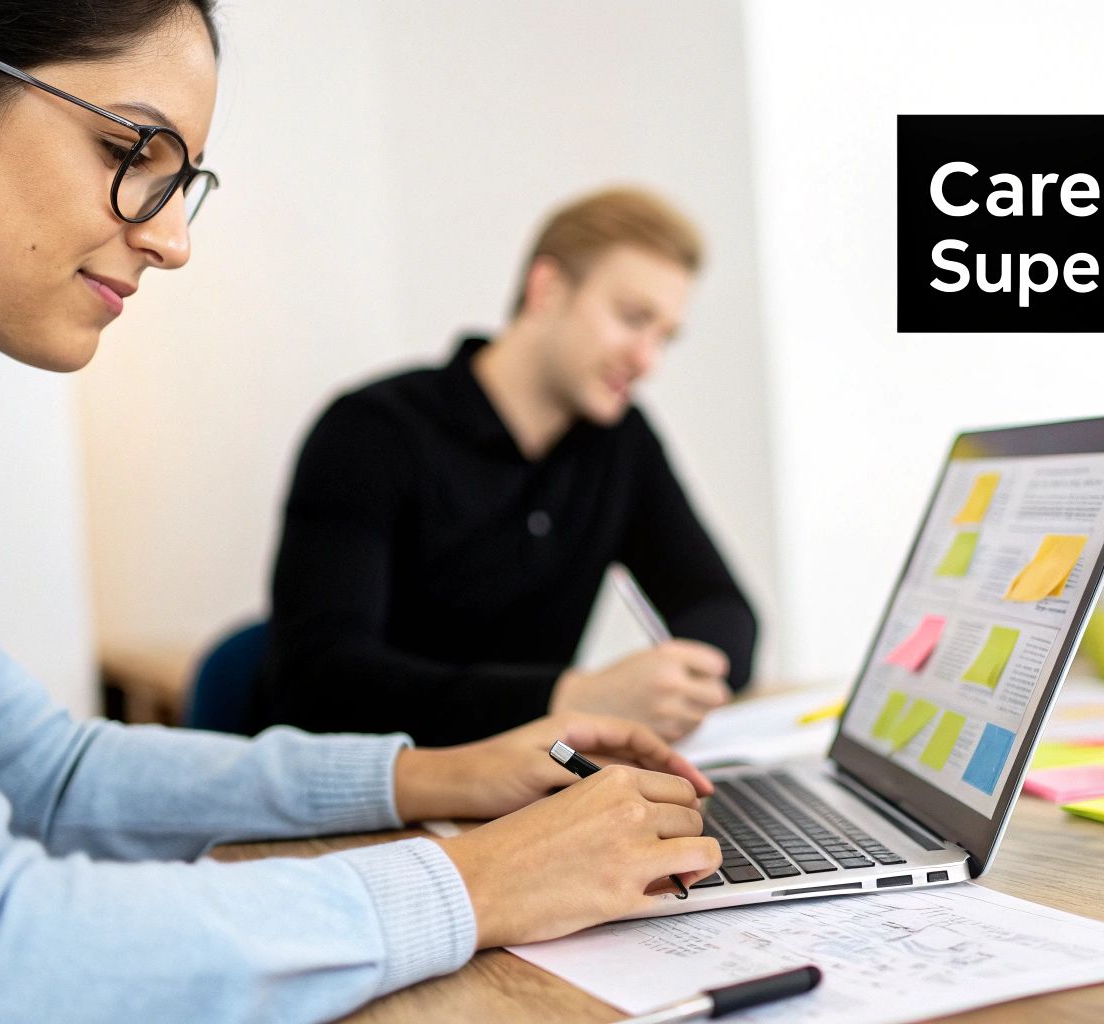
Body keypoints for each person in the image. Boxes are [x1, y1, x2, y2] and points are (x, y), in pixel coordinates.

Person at [0, 3, 720, 1022]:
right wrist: (484, 880)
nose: (172, 239)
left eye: (181, 180)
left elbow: (48, 774)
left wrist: (439, 777)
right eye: (130, 152)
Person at [257, 188, 759, 746]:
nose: (648, 360)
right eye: (632, 318)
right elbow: (318, 682)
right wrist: (569, 698)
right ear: (547, 289)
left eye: (663, 336)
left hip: (537, 781)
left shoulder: (619, 440)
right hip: (383, 784)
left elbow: (721, 607)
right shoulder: (371, 432)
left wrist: (676, 682)